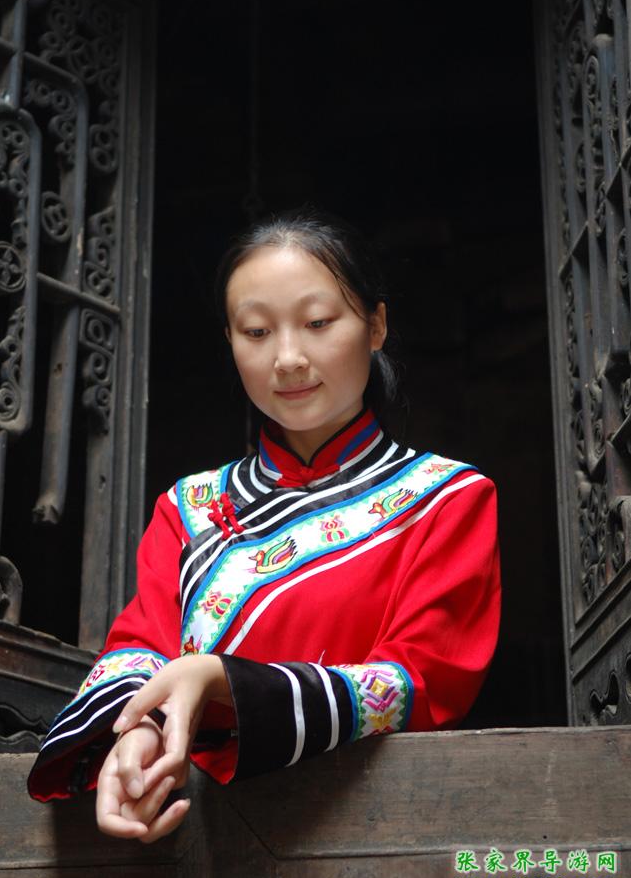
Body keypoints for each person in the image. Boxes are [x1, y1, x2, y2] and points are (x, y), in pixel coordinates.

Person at [27, 206, 501, 844]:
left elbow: (420, 682)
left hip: (372, 832)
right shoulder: (188, 506)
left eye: (317, 323)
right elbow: (138, 648)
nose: (287, 358)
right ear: (230, 341)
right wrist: (135, 735)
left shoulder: (446, 499)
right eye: (256, 331)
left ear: (376, 325)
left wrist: (224, 682)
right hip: (191, 836)